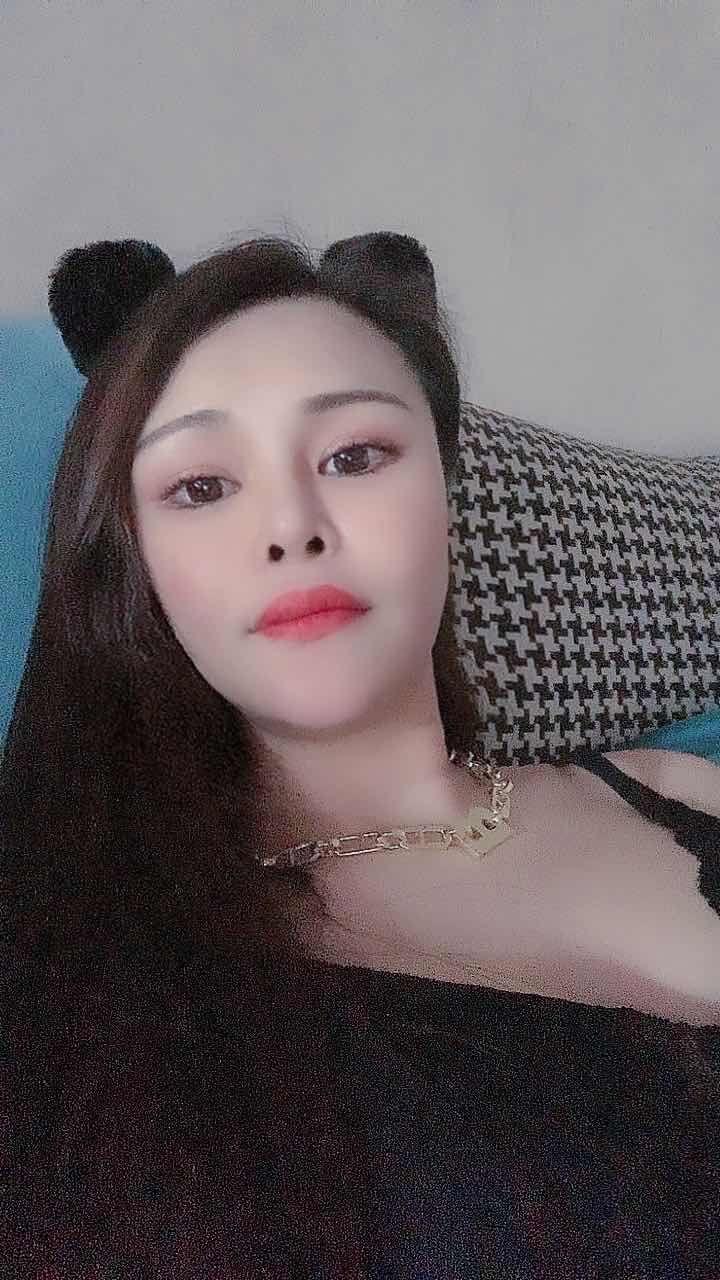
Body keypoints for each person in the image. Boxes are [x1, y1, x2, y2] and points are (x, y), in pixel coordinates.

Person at [2, 231, 719, 1278]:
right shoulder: (77, 959)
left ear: (445, 496)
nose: (292, 526)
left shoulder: (672, 785)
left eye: (354, 457)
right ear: (135, 564)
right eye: (200, 486)